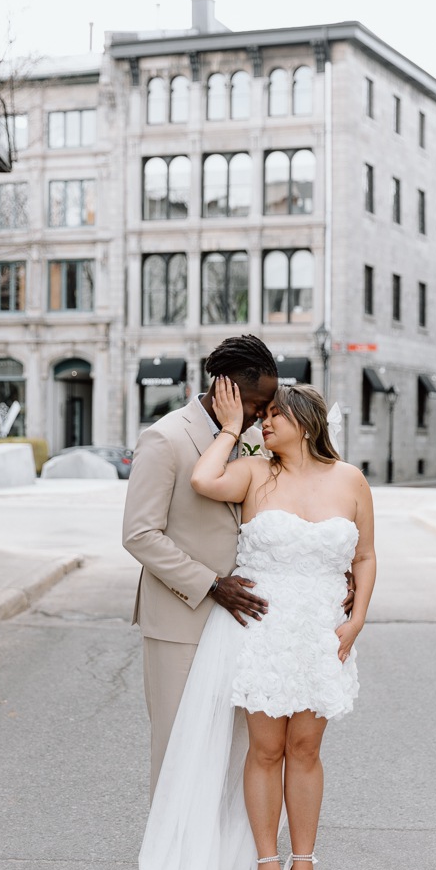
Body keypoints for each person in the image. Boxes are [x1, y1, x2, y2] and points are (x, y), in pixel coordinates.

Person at [43, 380, 375, 870]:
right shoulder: (251, 470)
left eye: (274, 415)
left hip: (322, 630)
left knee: (307, 749)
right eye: (261, 414)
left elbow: (366, 557)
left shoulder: (351, 479)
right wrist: (226, 432)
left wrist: (356, 621)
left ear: (306, 419)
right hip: (264, 630)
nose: (263, 423)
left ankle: (305, 865)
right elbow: (201, 481)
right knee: (265, 750)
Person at [121, 334, 278, 799]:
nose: (260, 416)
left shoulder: (253, 441)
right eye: (255, 404)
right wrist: (212, 585)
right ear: (225, 388)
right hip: (179, 622)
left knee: (233, 752)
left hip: (241, 623)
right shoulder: (164, 438)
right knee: (178, 748)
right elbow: (139, 534)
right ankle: (173, 868)